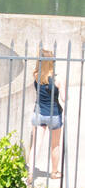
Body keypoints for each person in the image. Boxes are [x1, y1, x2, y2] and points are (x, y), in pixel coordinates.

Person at [29, 50, 65, 180]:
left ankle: (30, 173)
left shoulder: (36, 76)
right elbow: (65, 98)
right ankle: (54, 172)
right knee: (55, 145)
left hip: (39, 113)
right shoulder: (57, 79)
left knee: (35, 145)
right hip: (54, 114)